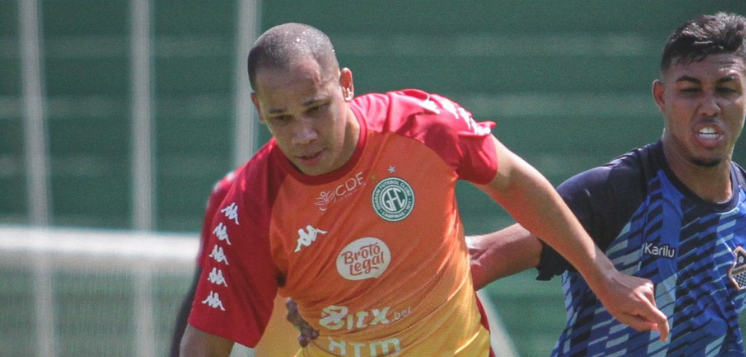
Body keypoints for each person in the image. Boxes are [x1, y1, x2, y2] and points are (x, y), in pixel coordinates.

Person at [294, 11, 746, 357]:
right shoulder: (612, 193)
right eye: (689, 90)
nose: (706, 105)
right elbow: (476, 259)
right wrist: (340, 310)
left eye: (724, 89)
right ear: (661, 96)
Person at [176, 22, 669, 357]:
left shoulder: (423, 126)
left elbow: (516, 182)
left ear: (345, 84)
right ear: (258, 109)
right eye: (281, 118)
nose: (302, 133)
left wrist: (602, 276)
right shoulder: (249, 205)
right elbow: (204, 344)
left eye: (315, 107)